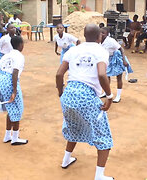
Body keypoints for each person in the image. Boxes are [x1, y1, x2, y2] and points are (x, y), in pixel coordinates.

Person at [56, 24, 114, 180]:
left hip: (69, 94)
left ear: (84, 35)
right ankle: (99, 176)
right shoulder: (101, 51)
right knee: (104, 136)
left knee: (73, 126)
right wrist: (109, 96)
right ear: (99, 37)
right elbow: (102, 75)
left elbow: (59, 74)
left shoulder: (74, 49)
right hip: (86, 96)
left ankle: (66, 160)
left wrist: (62, 94)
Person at [0, 36, 28, 145]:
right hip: (9, 81)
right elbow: (15, 72)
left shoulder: (6, 55)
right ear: (21, 45)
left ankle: (7, 135)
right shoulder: (20, 56)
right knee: (17, 109)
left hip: (0, 80)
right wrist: (14, 90)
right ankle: (15, 137)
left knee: (10, 108)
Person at [99, 27, 132, 103]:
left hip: (116, 58)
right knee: (106, 76)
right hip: (107, 59)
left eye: (103, 33)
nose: (101, 34)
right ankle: (106, 92)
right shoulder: (99, 41)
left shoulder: (111, 41)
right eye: (100, 32)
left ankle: (118, 96)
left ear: (107, 34)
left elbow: (121, 49)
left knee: (118, 77)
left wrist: (124, 60)